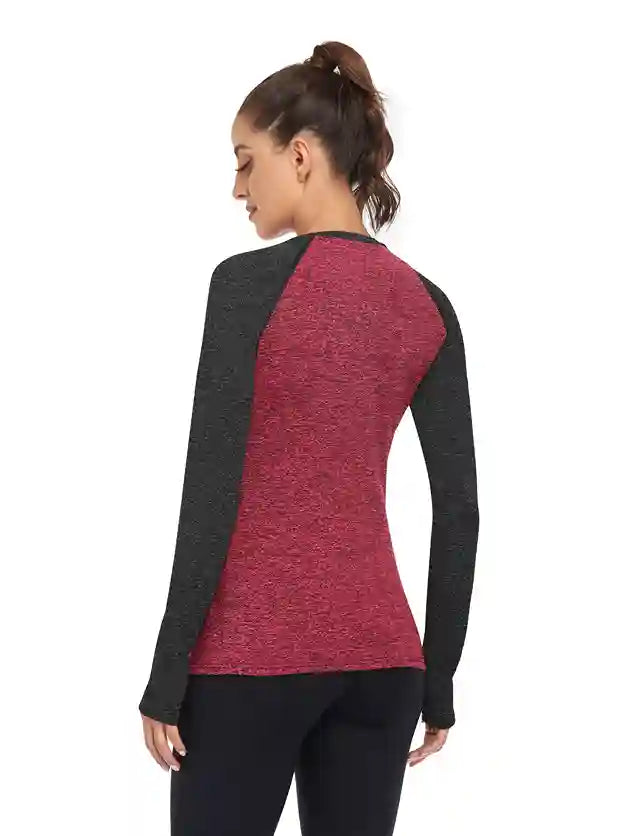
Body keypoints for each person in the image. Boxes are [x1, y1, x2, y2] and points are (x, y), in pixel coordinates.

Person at [139, 40, 480, 836]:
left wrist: (166, 674)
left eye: (244, 162)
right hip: (382, 668)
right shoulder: (426, 304)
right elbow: (459, 510)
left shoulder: (244, 286)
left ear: (298, 156)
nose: (237, 188)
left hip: (247, 660)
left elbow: (211, 488)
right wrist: (437, 683)